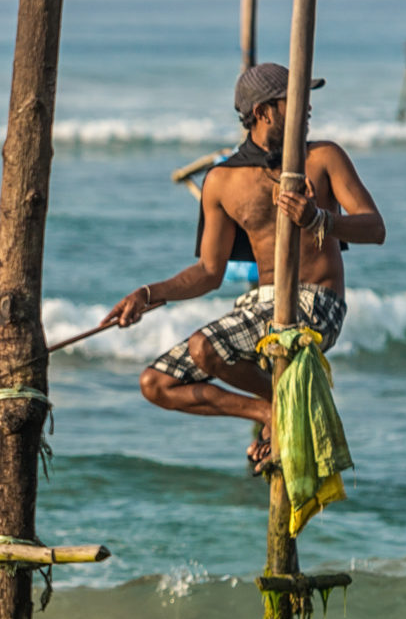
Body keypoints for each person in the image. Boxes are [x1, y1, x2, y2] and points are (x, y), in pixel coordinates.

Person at [104, 62, 385, 467]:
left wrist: (319, 219)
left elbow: (375, 228)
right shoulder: (222, 181)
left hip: (316, 303)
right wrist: (148, 294)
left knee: (205, 347)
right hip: (260, 307)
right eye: (297, 100)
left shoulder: (324, 157)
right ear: (263, 111)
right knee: (156, 384)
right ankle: (271, 410)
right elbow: (208, 271)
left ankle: (279, 408)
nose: (308, 108)